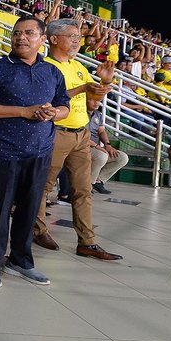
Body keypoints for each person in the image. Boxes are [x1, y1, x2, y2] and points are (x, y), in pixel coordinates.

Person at [0, 17, 70, 287]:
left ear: (42, 39)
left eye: (29, 33)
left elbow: (64, 105)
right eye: (17, 33)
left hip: (40, 152)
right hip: (3, 151)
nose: (21, 38)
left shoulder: (52, 72)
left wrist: (54, 114)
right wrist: (24, 112)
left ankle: (21, 260)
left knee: (30, 209)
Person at [32, 19, 123, 262]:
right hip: (55, 133)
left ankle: (87, 242)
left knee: (83, 190)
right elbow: (47, 100)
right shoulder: (45, 67)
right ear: (53, 39)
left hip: (81, 134)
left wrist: (104, 82)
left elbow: (94, 99)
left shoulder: (79, 66)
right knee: (44, 187)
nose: (77, 40)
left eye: (78, 36)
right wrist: (82, 88)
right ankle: (38, 230)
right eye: (72, 36)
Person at [86, 98, 128, 195]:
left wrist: (107, 145)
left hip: (95, 147)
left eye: (99, 101)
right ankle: (87, 185)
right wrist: (97, 146)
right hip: (82, 146)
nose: (97, 103)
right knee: (101, 156)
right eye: (94, 100)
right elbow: (79, 134)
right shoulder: (79, 114)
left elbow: (101, 131)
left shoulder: (97, 114)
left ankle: (98, 181)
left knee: (122, 157)